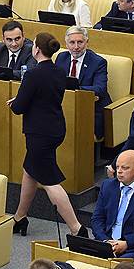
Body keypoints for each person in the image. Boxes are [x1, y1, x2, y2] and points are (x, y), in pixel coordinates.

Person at [9, 32, 87, 237]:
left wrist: (15, 101)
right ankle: (20, 217)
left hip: (39, 133)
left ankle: (77, 229)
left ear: (36, 49)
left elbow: (19, 107)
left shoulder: (33, 74)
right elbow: (45, 96)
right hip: (55, 128)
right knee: (30, 170)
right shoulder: (59, 71)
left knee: (49, 181)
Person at [56, 26, 111, 142]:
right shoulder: (61, 58)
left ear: (87, 42)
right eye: (72, 42)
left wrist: (76, 89)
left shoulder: (98, 62)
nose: (76, 47)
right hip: (65, 106)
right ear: (66, 44)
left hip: (90, 110)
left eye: (80, 42)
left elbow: (100, 89)